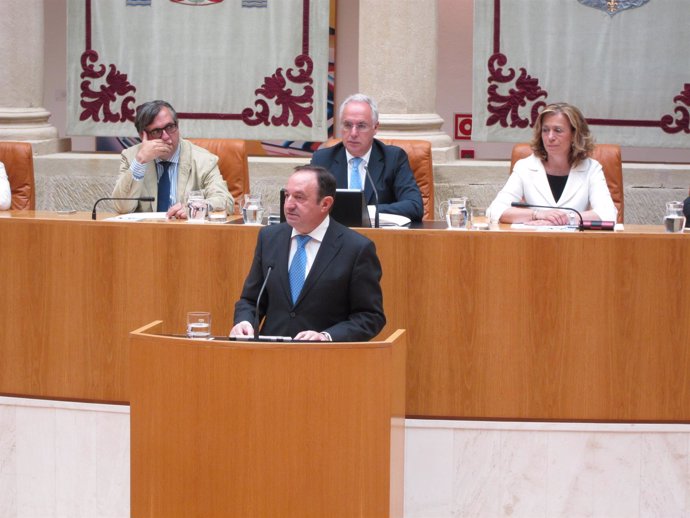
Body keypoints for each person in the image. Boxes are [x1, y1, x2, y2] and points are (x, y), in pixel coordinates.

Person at [230, 165, 386, 342]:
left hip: (325, 361)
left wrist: (326, 336)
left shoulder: (356, 249)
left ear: (325, 204)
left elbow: (370, 316)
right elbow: (250, 300)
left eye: (299, 197)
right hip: (271, 356)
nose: (288, 205)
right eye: (287, 195)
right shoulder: (269, 238)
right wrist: (245, 321)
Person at [488, 102, 617, 225]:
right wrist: (537, 214)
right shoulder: (525, 167)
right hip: (534, 242)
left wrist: (564, 218)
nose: (550, 137)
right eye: (545, 130)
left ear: (574, 134)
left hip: (576, 244)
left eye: (558, 130)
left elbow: (608, 214)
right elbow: (495, 210)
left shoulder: (591, 168)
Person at [310, 93, 424, 222]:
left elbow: (414, 206)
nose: (353, 133)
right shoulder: (322, 159)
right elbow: (308, 203)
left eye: (361, 126)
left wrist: (366, 211)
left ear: (375, 128)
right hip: (336, 237)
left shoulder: (393, 158)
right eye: (347, 125)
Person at [112, 100, 233, 219]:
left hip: (188, 234)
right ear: (142, 135)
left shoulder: (204, 160)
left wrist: (197, 207)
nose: (165, 136)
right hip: (146, 234)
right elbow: (122, 207)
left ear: (177, 125)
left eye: (170, 127)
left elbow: (226, 202)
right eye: (157, 131)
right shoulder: (131, 157)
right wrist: (140, 162)